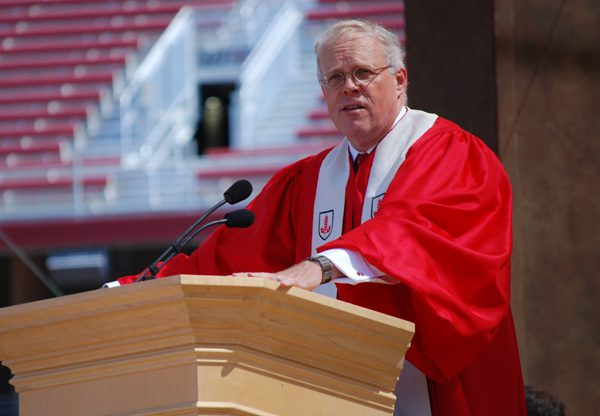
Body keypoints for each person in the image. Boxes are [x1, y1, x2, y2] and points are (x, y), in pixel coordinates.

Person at [112, 19, 526, 415]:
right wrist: (127, 291)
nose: (349, 87)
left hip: (440, 390)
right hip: (339, 386)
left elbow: (412, 231)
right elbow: (222, 261)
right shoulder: (307, 182)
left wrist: (320, 268)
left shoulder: (452, 153)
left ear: (399, 80)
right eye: (334, 78)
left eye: (362, 73)